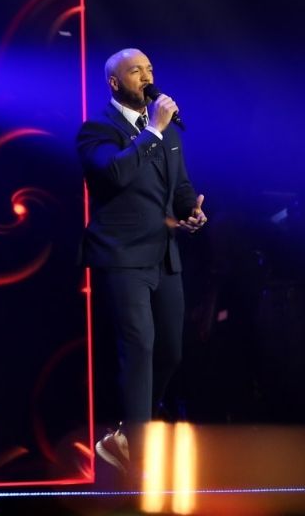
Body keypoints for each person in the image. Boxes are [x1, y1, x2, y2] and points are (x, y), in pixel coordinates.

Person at [77, 48, 206, 475]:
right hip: (122, 256)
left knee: (170, 350)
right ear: (115, 82)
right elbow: (113, 174)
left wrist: (191, 212)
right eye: (136, 71)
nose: (147, 77)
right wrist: (151, 132)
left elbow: (180, 187)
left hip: (164, 255)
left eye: (149, 69)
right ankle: (140, 451)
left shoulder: (166, 131)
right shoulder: (97, 128)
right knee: (139, 346)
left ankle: (127, 435)